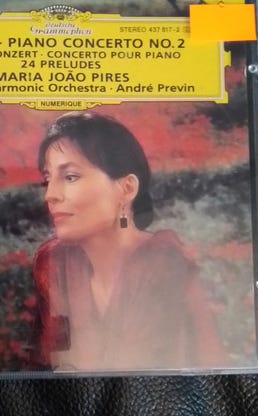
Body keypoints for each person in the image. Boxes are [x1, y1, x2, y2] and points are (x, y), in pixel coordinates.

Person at [32, 112, 225, 371]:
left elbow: (207, 372)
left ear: (127, 189)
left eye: (70, 177)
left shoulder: (164, 264)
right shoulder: (55, 264)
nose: (50, 195)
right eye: (47, 180)